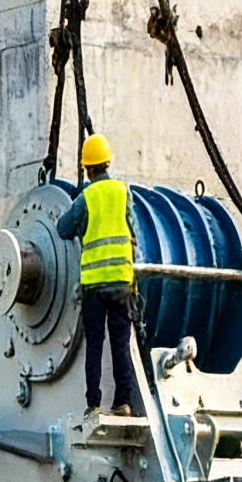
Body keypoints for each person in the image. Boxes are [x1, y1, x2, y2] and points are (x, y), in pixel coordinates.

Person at [56, 133, 140, 418]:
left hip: (93, 286)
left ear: (87, 168)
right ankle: (122, 402)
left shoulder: (86, 198)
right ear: (107, 163)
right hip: (121, 282)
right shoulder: (122, 192)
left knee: (94, 345)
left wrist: (77, 214)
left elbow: (63, 229)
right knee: (120, 344)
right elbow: (133, 231)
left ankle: (93, 404)